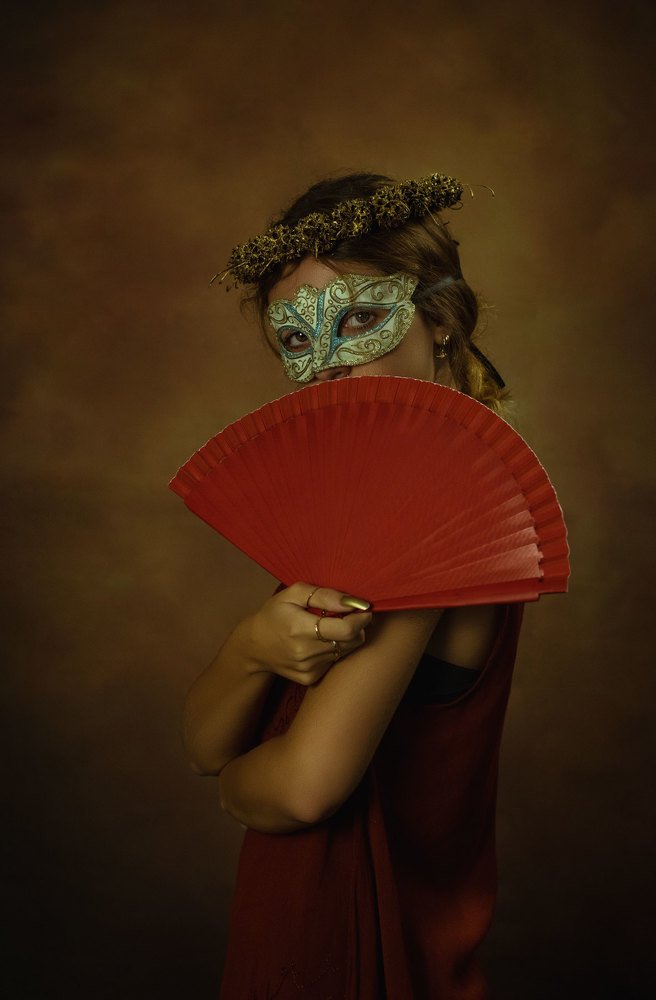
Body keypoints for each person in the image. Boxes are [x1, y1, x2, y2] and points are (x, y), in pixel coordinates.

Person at [183, 172, 523, 999]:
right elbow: (203, 736)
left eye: (363, 319)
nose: (328, 364)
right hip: (310, 916)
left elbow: (298, 787)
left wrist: (234, 788)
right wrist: (250, 644)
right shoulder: (361, 504)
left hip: (358, 937)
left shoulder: (432, 503)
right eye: (296, 340)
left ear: (438, 320)